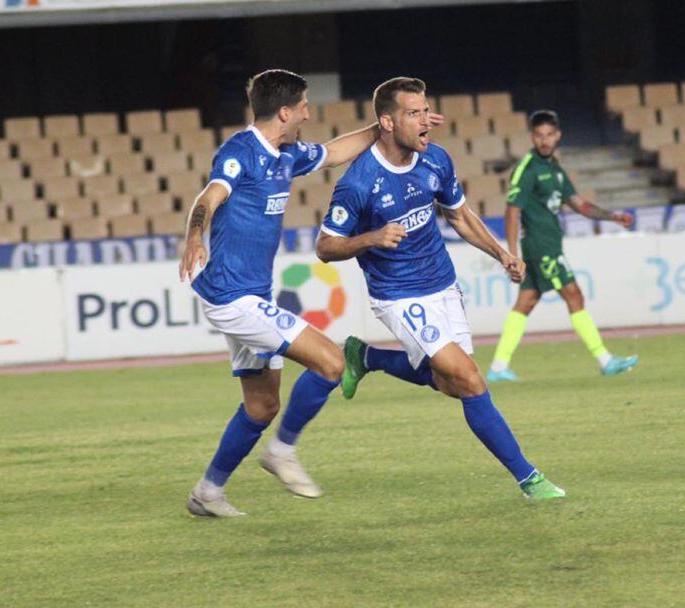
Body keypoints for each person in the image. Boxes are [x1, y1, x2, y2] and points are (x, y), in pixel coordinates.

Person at [178, 69, 443, 517]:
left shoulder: (287, 155)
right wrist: (194, 236)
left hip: (252, 296)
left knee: (262, 405)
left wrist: (388, 126)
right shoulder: (241, 152)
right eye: (302, 107)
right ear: (284, 112)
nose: (307, 114)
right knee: (331, 362)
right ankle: (282, 451)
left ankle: (207, 493)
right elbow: (209, 197)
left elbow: (335, 152)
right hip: (231, 297)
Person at [315, 76, 565, 500]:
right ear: (388, 123)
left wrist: (501, 253)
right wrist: (371, 238)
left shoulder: (435, 160)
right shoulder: (358, 183)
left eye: (425, 110)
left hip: (443, 285)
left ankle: (368, 357)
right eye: (413, 113)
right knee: (470, 380)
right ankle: (529, 478)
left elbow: (460, 215)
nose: (426, 121)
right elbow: (325, 247)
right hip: (399, 294)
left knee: (451, 384)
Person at [486, 110, 638, 382]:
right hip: (541, 246)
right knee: (574, 295)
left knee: (526, 301)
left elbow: (580, 204)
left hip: (546, 244)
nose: (544, 141)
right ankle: (605, 360)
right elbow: (512, 211)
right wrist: (511, 255)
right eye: (539, 135)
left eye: (549, 135)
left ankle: (498, 367)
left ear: (557, 136)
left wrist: (612, 216)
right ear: (532, 137)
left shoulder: (554, 168)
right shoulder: (528, 168)